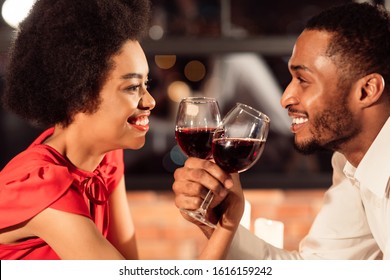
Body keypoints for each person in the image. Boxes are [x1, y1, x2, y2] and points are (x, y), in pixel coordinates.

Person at [172, 2, 390, 260]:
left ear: (366, 91)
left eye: (303, 80)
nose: (285, 98)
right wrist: (222, 222)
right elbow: (317, 270)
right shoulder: (351, 165)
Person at [0, 0, 155, 259]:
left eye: (146, 83)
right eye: (132, 87)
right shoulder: (42, 187)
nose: (150, 101)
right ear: (80, 95)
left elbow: (129, 263)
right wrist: (224, 226)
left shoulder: (106, 158)